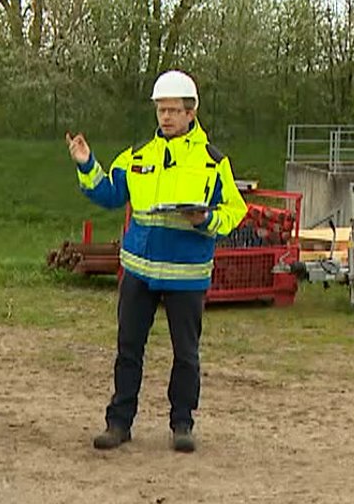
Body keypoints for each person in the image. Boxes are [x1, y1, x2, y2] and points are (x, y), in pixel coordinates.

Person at [66, 70, 246, 453]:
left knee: (186, 354)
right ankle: (118, 423)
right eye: (161, 110)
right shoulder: (137, 157)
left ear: (191, 114)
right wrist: (86, 163)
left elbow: (235, 209)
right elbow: (111, 194)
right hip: (139, 272)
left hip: (187, 276)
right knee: (128, 349)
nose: (165, 117)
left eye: (174, 111)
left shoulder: (213, 162)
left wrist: (207, 219)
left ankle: (182, 424)